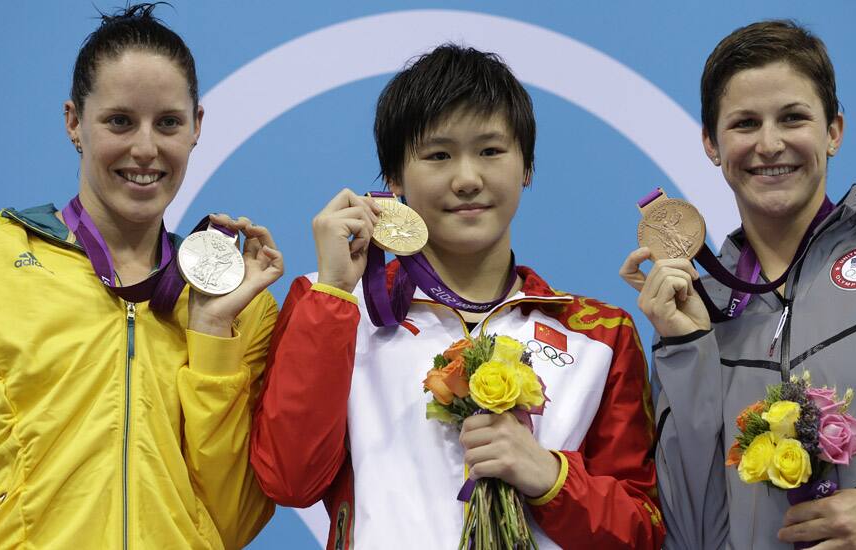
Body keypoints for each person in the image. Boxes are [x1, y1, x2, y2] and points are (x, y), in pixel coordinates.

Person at [250, 45, 665, 549]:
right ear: (394, 179)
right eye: (438, 155)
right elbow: (290, 481)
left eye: (491, 151)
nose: (467, 179)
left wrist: (550, 478)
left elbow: (641, 531)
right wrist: (334, 293)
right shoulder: (336, 305)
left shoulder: (598, 335)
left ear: (527, 167)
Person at [621, 19, 856, 549]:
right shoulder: (699, 308)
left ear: (833, 131)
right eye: (744, 123)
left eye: (792, 118)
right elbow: (687, 529)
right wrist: (685, 349)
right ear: (711, 144)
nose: (770, 144)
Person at [0, 5, 282, 548]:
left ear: (197, 126)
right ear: (74, 121)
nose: (146, 148)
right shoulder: (1, 260)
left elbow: (235, 521)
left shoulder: (240, 303)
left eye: (168, 122)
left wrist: (213, 331)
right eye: (120, 121)